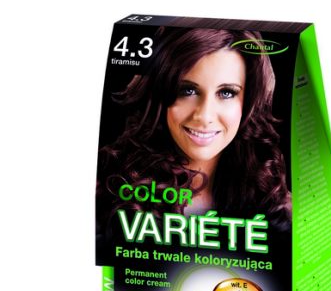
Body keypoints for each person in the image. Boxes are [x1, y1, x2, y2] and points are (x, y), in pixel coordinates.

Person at [97, 27, 292, 238]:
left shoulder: (278, 205)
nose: (204, 116)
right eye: (188, 90)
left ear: (248, 102)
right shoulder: (109, 193)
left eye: (227, 93)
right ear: (161, 93)